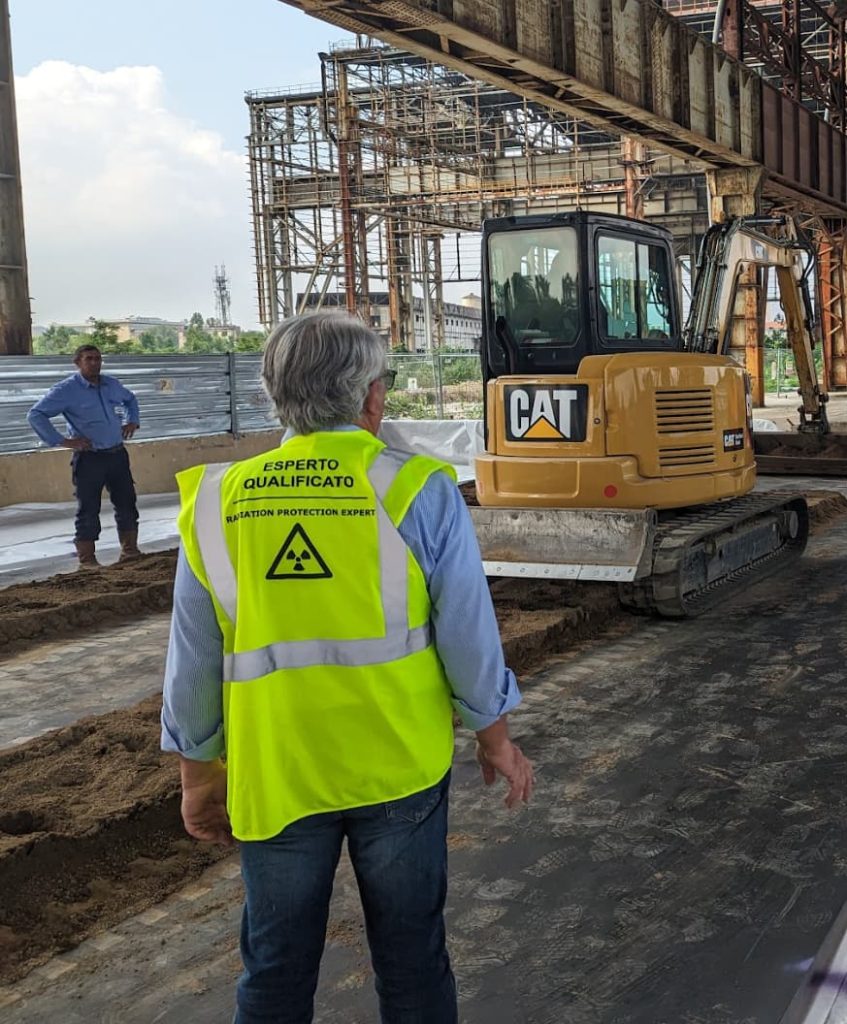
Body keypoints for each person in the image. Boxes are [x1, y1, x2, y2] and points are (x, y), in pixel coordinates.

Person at [160, 311, 534, 1024]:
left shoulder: (217, 501)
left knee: (273, 970)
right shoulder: (416, 490)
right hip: (396, 767)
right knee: (412, 959)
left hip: (279, 771)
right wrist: (496, 739)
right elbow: (467, 635)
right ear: (370, 397)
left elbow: (193, 657)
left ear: (275, 393)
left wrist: (197, 773)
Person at [27, 343, 141, 567]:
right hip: (90, 458)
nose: (95, 363)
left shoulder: (110, 384)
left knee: (127, 502)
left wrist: (132, 420)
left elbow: (130, 399)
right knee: (89, 508)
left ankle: (130, 550)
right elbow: (36, 414)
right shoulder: (66, 390)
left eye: (98, 358)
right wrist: (63, 441)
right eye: (89, 358)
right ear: (77, 362)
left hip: (117, 454)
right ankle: (87, 560)